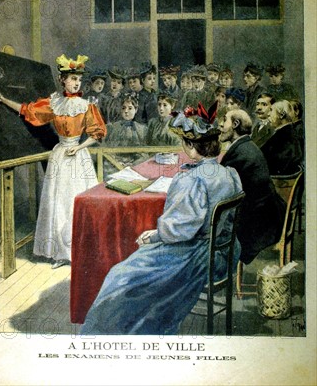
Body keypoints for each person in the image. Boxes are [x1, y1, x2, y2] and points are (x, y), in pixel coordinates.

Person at [80, 104, 243, 335]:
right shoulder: (229, 173)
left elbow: (181, 229)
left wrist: (155, 235)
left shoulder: (192, 181)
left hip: (196, 255)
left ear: (191, 147)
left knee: (121, 275)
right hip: (225, 252)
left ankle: (109, 334)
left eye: (184, 144)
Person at [0, 53, 107, 269]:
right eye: (73, 79)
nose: (76, 83)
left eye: (79, 80)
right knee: (59, 202)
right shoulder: (54, 103)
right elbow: (28, 110)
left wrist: (79, 146)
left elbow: (98, 132)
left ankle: (81, 251)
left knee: (78, 201)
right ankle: (60, 253)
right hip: (59, 156)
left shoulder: (86, 105)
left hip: (77, 157)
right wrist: (4, 100)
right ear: (63, 79)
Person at [219, 109, 285, 265]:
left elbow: (221, 191)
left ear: (235, 124)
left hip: (256, 226)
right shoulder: (247, 146)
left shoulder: (240, 153)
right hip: (265, 216)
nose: (220, 125)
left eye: (224, 120)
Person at [103, 93, 147, 171]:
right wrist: (117, 162)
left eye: (130, 108)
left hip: (135, 165)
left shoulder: (142, 129)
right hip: (115, 163)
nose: (126, 111)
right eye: (123, 108)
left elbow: (144, 153)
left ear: (136, 110)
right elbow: (107, 150)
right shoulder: (112, 127)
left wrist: (133, 164)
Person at [261, 100, 303, 175]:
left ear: (282, 115)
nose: (268, 114)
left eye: (271, 110)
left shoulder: (284, 138)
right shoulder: (289, 133)